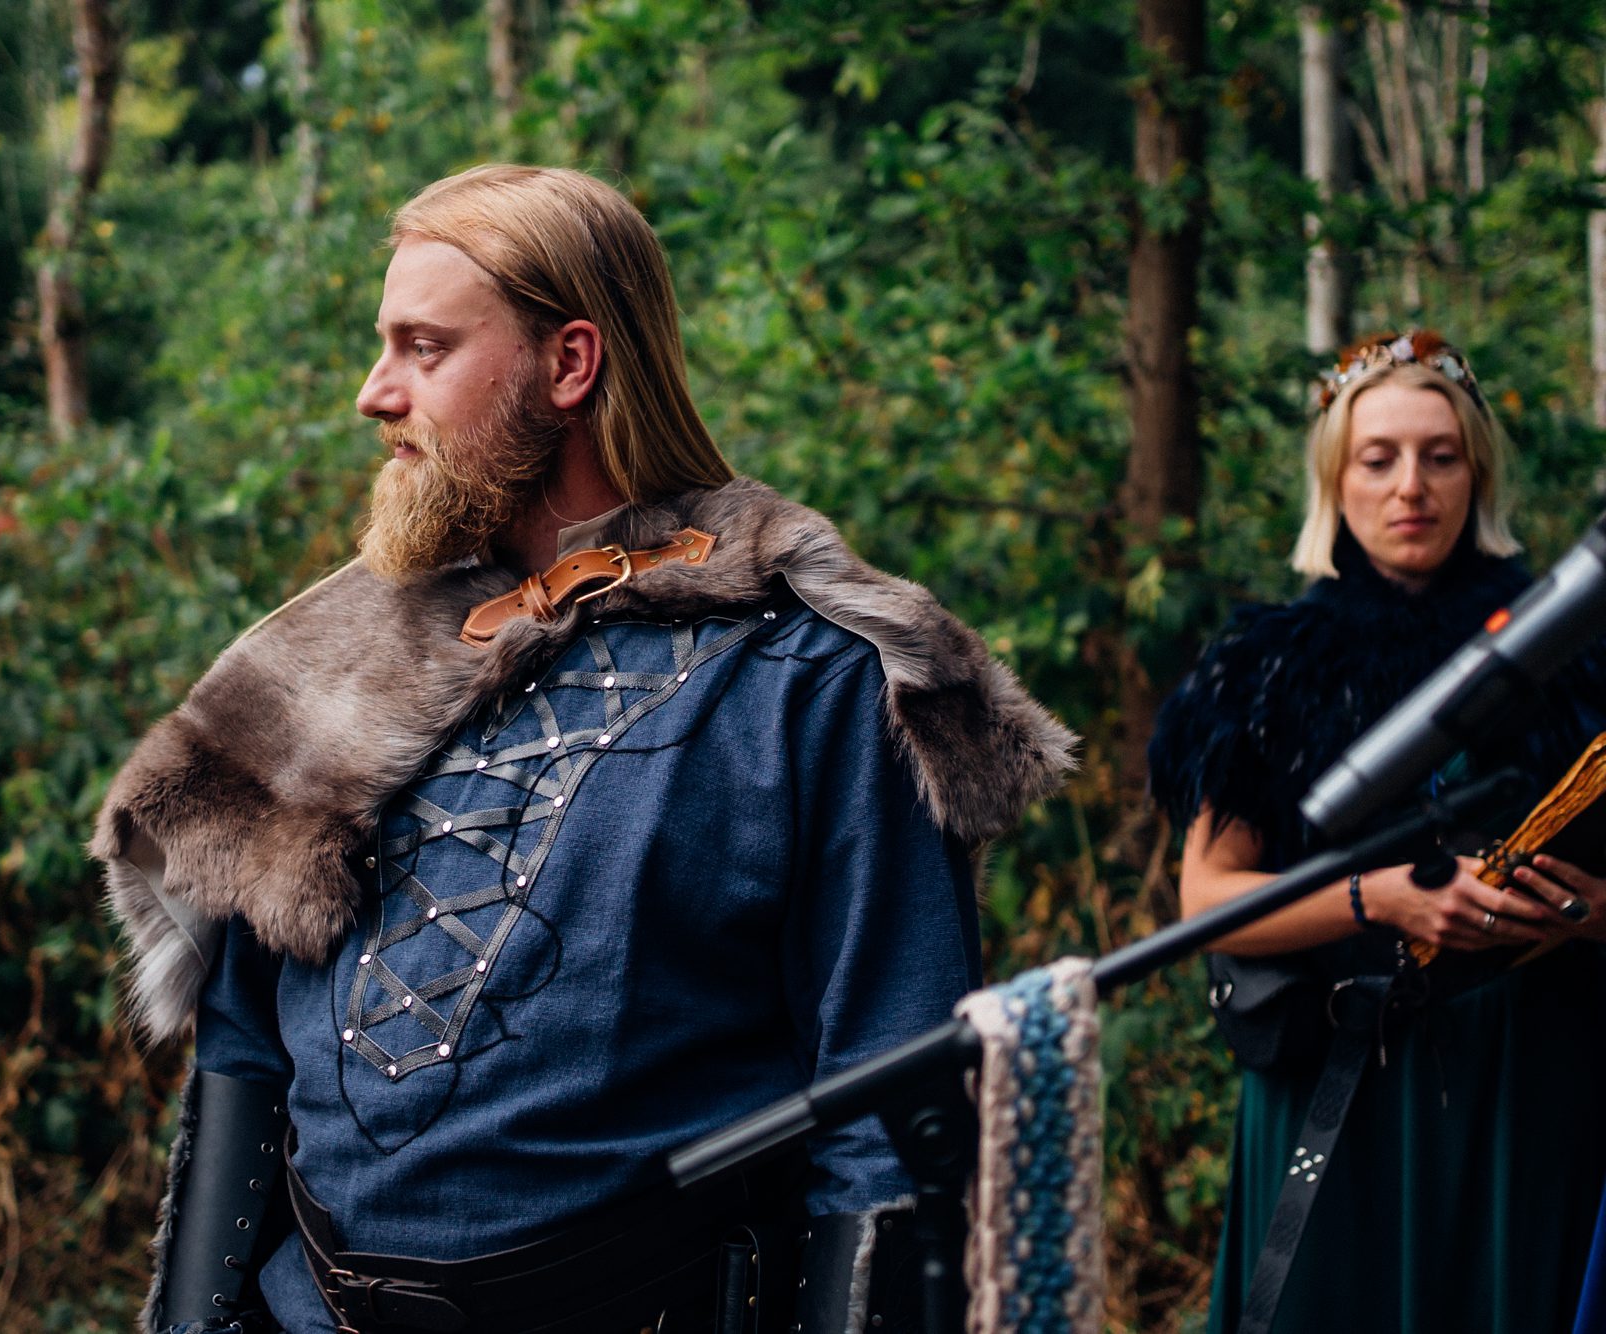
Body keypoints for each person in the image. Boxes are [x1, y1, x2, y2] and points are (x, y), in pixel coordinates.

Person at [90, 165, 1075, 1334]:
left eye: (422, 348)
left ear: (568, 365)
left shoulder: (811, 684)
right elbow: (245, 1052)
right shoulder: (327, 665)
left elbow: (890, 1115)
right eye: (382, 346)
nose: (372, 392)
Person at [1148, 330, 1606, 1334]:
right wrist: (1379, 899)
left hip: (1530, 1084)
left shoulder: (1578, 652)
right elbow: (1207, 900)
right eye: (1378, 458)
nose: (1411, 487)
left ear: (1476, 474)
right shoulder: (1267, 668)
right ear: (1335, 480)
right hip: (1342, 1079)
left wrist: (1589, 911)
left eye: (1440, 457)